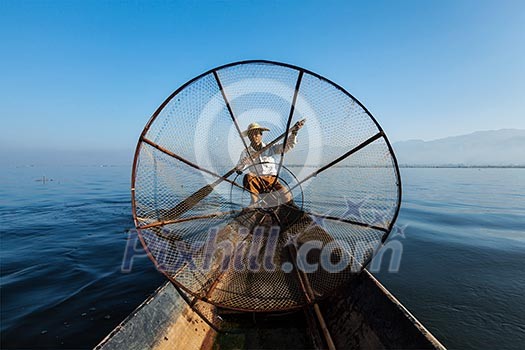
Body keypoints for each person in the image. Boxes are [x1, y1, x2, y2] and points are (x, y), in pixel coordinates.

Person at [236, 120, 305, 207]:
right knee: (248, 176)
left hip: (272, 180)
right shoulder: (246, 152)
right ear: (249, 137)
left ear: (261, 135)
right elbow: (238, 169)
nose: (254, 136)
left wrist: (294, 132)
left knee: (287, 197)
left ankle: (272, 203)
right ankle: (255, 202)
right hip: (257, 181)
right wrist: (243, 163)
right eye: (251, 134)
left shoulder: (269, 147)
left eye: (257, 134)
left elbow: (287, 146)